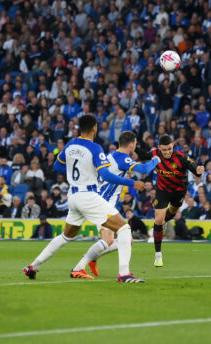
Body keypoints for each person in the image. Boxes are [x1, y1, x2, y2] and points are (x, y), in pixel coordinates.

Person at [22, 115, 146, 283]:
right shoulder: (95, 148)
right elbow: (106, 175)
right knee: (124, 229)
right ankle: (124, 274)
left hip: (73, 196)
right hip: (88, 196)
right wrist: (132, 182)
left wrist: (79, 164)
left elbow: (57, 166)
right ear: (94, 128)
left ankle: (33, 266)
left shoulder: (71, 144)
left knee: (66, 236)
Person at [71, 131, 159, 276]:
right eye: (135, 143)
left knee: (127, 240)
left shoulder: (109, 155)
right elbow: (144, 169)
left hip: (101, 201)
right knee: (109, 239)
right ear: (131, 144)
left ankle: (92, 258)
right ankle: (81, 266)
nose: (136, 146)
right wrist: (157, 159)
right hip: (102, 203)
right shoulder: (122, 158)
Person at [137, 134, 204, 267]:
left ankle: (165, 222)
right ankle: (158, 255)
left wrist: (199, 170)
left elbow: (195, 169)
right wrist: (134, 145)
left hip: (179, 192)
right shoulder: (155, 154)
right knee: (158, 220)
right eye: (164, 150)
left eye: (169, 149)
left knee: (172, 212)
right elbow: (144, 155)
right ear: (159, 148)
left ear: (172, 145)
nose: (167, 152)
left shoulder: (181, 157)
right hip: (162, 191)